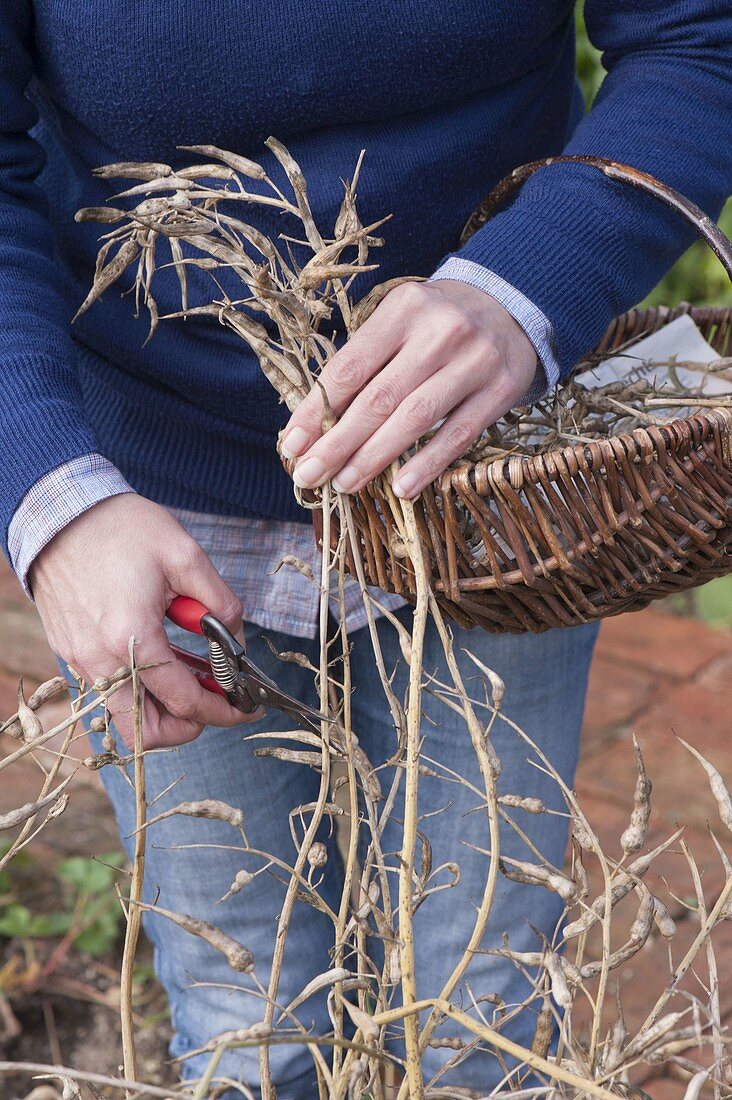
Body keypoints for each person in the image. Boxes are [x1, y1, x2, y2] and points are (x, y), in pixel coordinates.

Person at [1, 3, 730, 1096]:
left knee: (486, 1035)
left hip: (493, 485)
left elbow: (700, 34)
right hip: (148, 502)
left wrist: (523, 288)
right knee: (252, 1035)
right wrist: (51, 501)